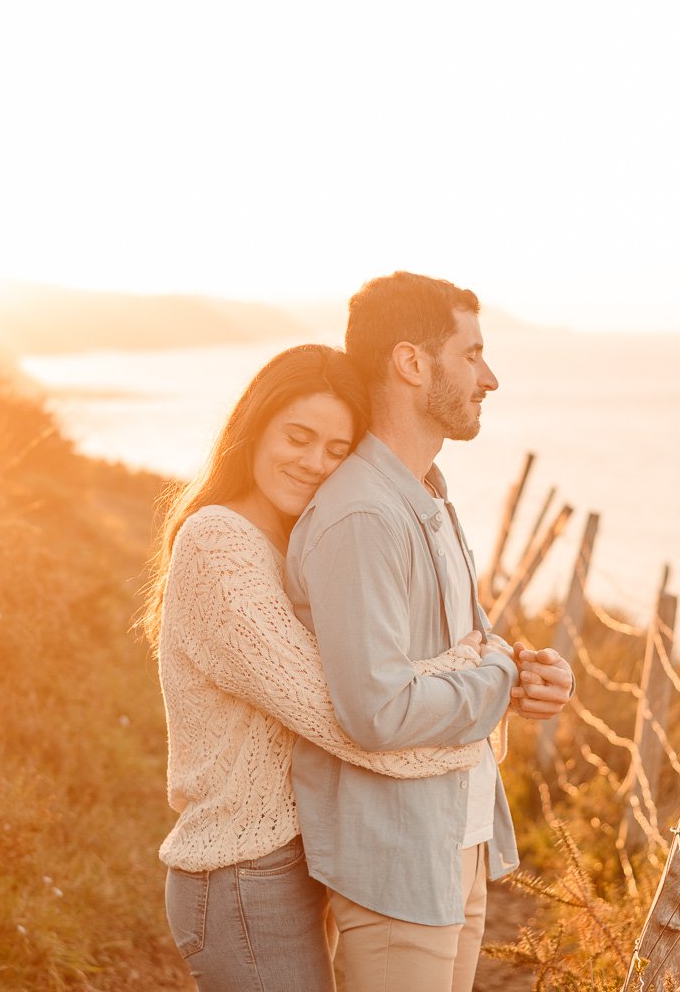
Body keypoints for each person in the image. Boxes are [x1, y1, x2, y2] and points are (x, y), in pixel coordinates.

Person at [142, 343, 519, 991]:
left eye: (337, 449)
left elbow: (381, 683)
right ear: (254, 425)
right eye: (298, 436)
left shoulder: (295, 537)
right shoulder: (219, 544)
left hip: (305, 861)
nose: (314, 462)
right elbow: (350, 715)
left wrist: (483, 679)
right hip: (240, 875)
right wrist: (482, 685)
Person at [286, 271, 575, 992]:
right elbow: (377, 707)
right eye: (472, 353)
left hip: (456, 834)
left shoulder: (429, 497)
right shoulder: (362, 517)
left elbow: (468, 650)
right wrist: (500, 680)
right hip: (395, 861)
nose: (491, 377)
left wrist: (527, 670)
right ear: (411, 363)